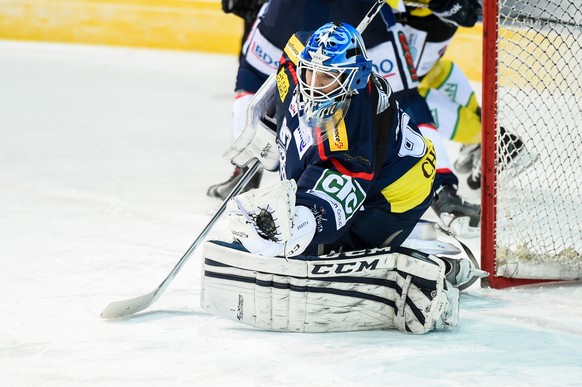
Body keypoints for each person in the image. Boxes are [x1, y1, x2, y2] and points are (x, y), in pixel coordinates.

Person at [203, 21, 487, 335]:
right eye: (310, 71)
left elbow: (335, 196)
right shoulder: (300, 53)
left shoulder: (352, 127)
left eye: (327, 77)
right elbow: (289, 60)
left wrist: (297, 223)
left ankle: (448, 266)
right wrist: (263, 118)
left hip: (398, 191)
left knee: (329, 247)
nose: (313, 83)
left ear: (354, 78)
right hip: (376, 165)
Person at [209, 0, 481, 237]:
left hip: (287, 12)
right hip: (354, 12)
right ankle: (442, 188)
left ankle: (245, 169)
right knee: (402, 96)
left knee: (252, 78)